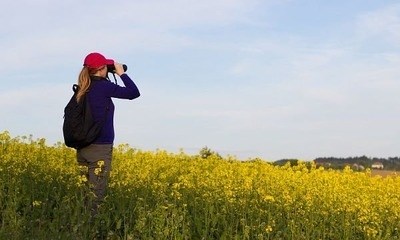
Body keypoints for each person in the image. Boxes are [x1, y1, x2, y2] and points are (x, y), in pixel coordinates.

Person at [76, 52, 140, 216]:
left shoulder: (84, 87)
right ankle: (91, 230)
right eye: (106, 66)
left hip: (83, 148)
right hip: (100, 148)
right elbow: (133, 92)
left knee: (84, 195)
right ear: (101, 69)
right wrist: (121, 73)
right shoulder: (103, 86)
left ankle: (80, 226)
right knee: (96, 196)